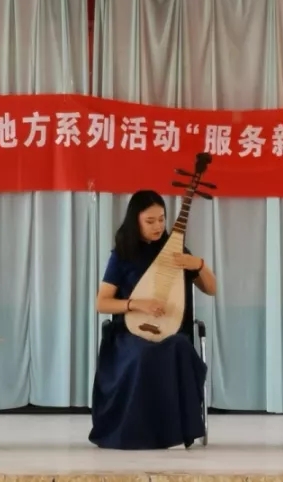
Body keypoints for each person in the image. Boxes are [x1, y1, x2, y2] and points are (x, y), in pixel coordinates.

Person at [89, 189, 216, 450]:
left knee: (179, 347)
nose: (158, 226)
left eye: (161, 219)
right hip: (129, 334)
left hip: (172, 333)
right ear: (135, 221)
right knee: (144, 354)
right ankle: (137, 433)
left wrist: (199, 264)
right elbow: (102, 303)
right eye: (150, 221)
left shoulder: (176, 252)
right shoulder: (122, 255)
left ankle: (173, 432)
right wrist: (136, 304)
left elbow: (212, 289)